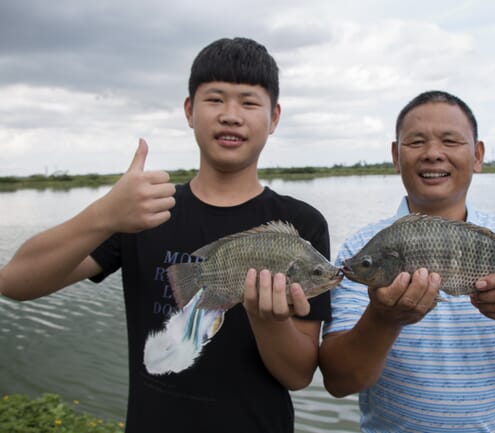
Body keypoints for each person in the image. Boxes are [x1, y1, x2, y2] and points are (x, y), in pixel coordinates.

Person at [0, 37, 331, 433]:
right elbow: (15, 283)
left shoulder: (300, 224)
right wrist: (102, 215)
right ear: (189, 111)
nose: (230, 115)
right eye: (214, 99)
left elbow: (297, 376)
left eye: (248, 102)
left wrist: (269, 321)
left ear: (274, 117)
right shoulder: (144, 211)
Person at [318, 90, 495, 433]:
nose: (433, 154)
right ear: (395, 155)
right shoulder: (363, 248)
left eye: (450, 141)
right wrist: (382, 320)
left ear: (478, 155)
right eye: (416, 141)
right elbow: (339, 381)